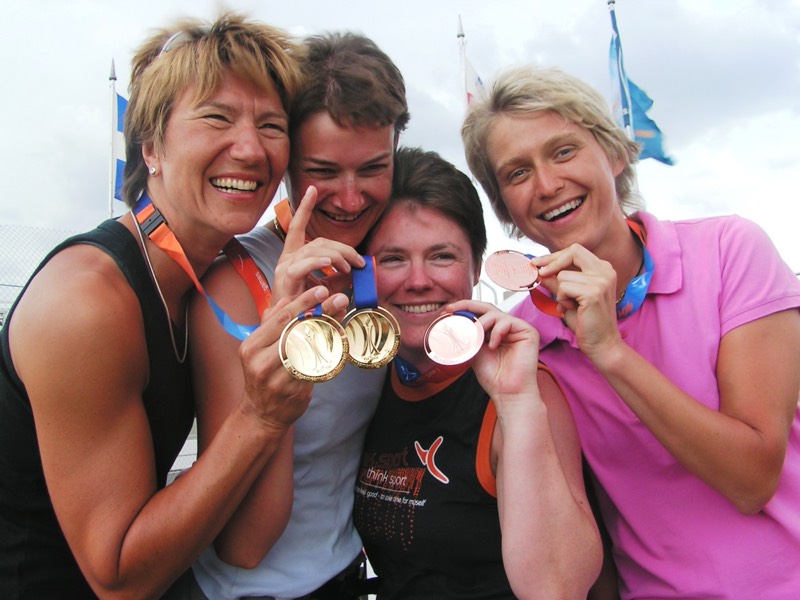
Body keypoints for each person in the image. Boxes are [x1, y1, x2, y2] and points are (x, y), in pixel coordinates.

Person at [0, 13, 343, 600]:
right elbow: (119, 579)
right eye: (216, 118)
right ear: (152, 146)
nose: (250, 149)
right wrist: (261, 416)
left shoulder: (203, 278)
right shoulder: (86, 302)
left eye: (271, 125)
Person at [461, 65, 800, 599]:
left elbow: (752, 480)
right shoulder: (527, 339)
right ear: (505, 207)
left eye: (563, 151)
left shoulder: (729, 251)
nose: (547, 185)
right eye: (518, 173)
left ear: (615, 155)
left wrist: (609, 351)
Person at [188, 32, 409, 599]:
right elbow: (244, 546)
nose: (350, 199)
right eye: (323, 171)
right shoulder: (237, 283)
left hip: (351, 573)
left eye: (373, 168)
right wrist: (287, 339)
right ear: (285, 159)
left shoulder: (386, 267)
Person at [352, 147, 602, 599]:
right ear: (364, 275)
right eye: (392, 259)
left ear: (475, 267)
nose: (418, 280)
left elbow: (558, 588)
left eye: (441, 256)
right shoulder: (369, 380)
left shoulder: (518, 385)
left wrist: (516, 403)